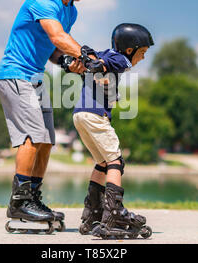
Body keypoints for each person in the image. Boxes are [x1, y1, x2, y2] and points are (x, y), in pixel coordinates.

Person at [0, 0, 100, 234]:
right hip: (15, 74)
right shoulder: (43, 0)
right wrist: (90, 56)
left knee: (47, 140)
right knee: (32, 136)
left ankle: (33, 199)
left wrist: (69, 62)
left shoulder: (70, 11)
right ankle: (18, 202)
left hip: (35, 78)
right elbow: (57, 36)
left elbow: (55, 50)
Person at [61, 23, 154, 239]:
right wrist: (98, 65)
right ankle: (114, 215)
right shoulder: (120, 58)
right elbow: (111, 62)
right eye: (142, 52)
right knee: (115, 161)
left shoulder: (102, 55)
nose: (143, 58)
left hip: (80, 116)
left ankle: (93, 213)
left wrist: (85, 60)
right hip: (94, 115)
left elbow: (92, 57)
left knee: (102, 163)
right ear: (130, 49)